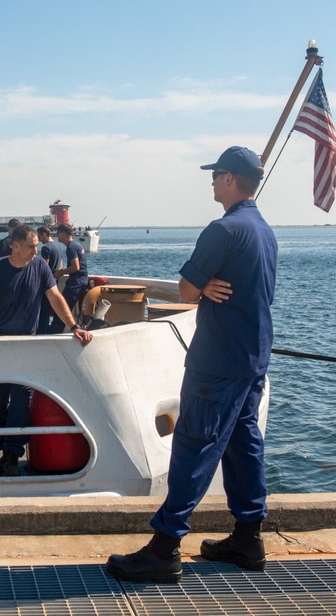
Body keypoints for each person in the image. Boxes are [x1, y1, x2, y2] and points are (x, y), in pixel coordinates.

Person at [106, 146, 278, 584]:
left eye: (216, 173)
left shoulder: (222, 230)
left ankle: (164, 548)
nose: (212, 180)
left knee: (194, 446)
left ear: (231, 179)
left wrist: (203, 287)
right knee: (243, 444)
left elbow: (186, 289)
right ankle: (248, 537)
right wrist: (210, 286)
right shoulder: (264, 231)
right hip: (253, 354)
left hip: (218, 360)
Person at [0, 225, 93, 476]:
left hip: (26, 346)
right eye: (31, 246)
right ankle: (4, 443)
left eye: (37, 245)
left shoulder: (40, 267)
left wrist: (73, 326)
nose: (36, 250)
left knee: (22, 399)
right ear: (16, 246)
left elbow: (55, 297)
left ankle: (11, 454)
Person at [53, 223, 89, 330]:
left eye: (58, 233)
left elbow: (76, 267)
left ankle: (56, 332)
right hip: (80, 280)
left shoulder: (71, 247)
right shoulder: (76, 245)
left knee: (63, 308)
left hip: (76, 282)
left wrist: (60, 272)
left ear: (63, 233)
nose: (57, 235)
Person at [36, 226, 64, 334]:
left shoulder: (45, 248)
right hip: (54, 281)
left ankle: (41, 330)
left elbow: (44, 266)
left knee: (42, 308)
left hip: (45, 282)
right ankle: (45, 328)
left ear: (44, 234)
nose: (38, 239)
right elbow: (60, 266)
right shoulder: (59, 246)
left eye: (39, 236)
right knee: (48, 307)